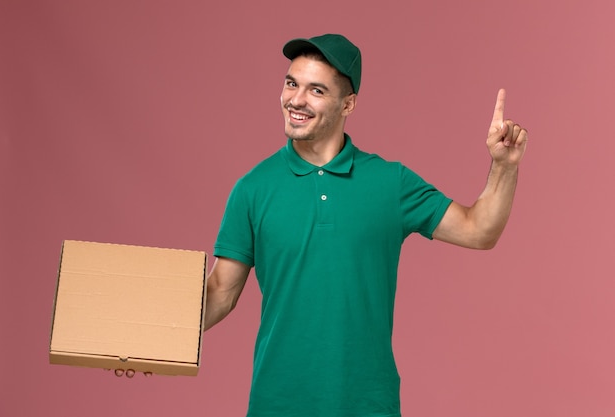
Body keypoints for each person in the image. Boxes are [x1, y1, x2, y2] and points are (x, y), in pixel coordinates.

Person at [205, 34, 527, 417]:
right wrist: (148, 339)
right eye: (292, 83)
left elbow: (479, 230)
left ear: (348, 104)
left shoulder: (390, 184)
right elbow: (220, 294)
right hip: (278, 404)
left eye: (316, 90)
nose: (296, 100)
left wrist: (504, 166)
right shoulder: (253, 189)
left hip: (368, 405)